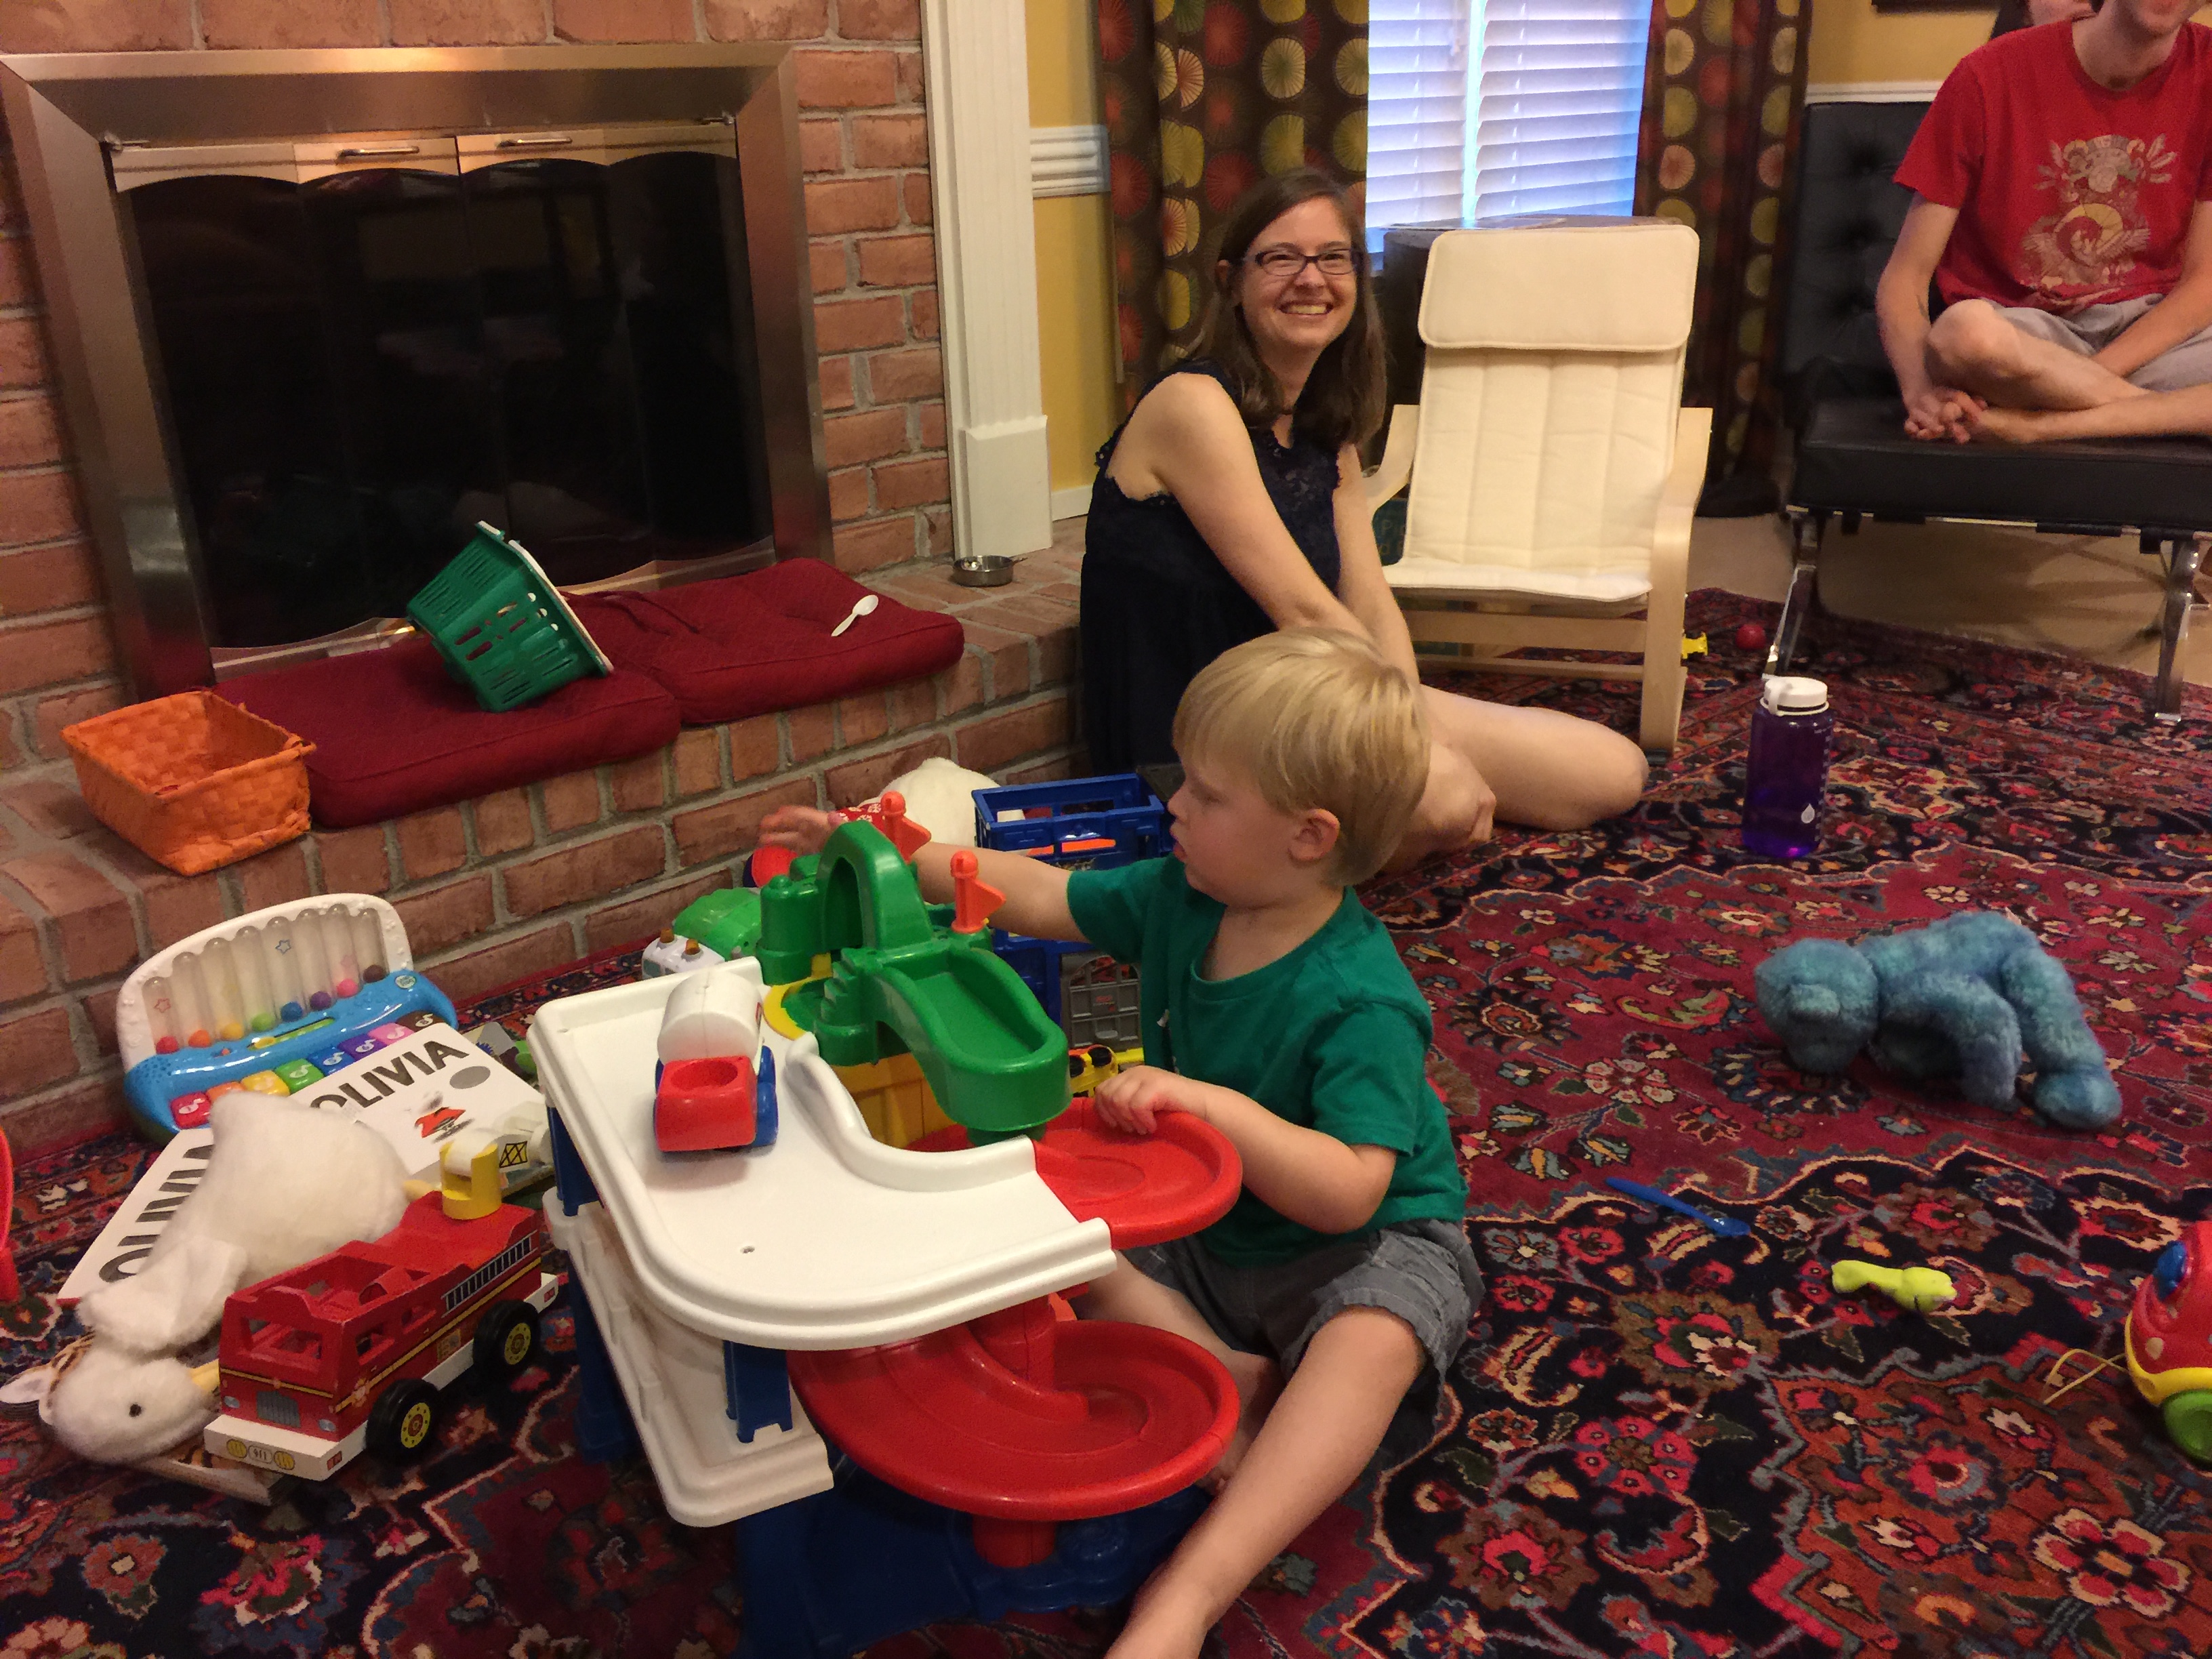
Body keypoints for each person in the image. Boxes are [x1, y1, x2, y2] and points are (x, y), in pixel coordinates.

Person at [758, 628, 1481, 1659]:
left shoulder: (1364, 1000)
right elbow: (1044, 894)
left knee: (1372, 1342)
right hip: (1212, 1229)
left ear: (1309, 836)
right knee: (1044, 1232)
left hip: (1361, 1249)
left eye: (1208, 794)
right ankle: (1225, 1374)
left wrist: (1212, 1107)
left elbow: (1350, 1193)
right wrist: (895, 860)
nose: (1174, 806)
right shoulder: (1183, 897)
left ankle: (1191, 1592)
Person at [1080, 169, 1647, 870]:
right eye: (1280, 258)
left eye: (1333, 257)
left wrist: (1409, 718)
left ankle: (1327, 844)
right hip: (1206, 736)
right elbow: (1305, 612)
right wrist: (1418, 750)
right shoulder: (1193, 404)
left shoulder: (1323, 424)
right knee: (1444, 802)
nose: (1310, 279)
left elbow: (1369, 600)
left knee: (1612, 772)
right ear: (1231, 282)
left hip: (1314, 701)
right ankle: (1250, 874)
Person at [1875, 0, 2212, 445]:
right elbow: (1905, 279)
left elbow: (2203, 283)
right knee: (1963, 336)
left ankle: (2040, 427)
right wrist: (1921, 393)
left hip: (2151, 336)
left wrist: (2075, 382)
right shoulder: (1988, 74)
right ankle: (2171, 415)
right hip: (2027, 335)